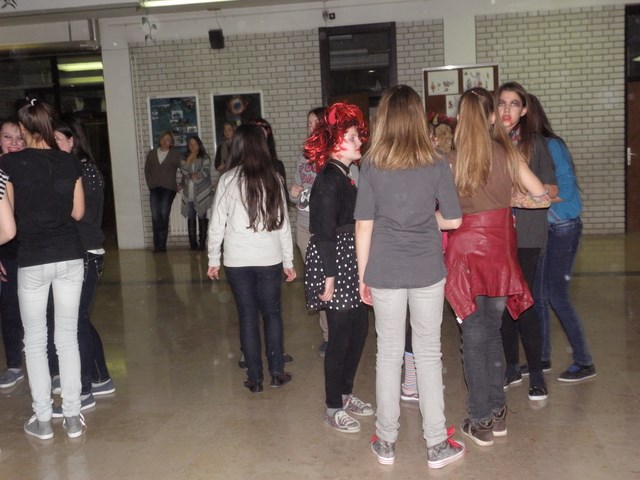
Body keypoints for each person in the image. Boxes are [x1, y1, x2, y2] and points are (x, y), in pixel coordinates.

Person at [354, 85, 465, 468]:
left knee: (387, 354)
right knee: (429, 353)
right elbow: (454, 219)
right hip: (427, 268)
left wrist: (363, 276)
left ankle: (386, 441)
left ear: (384, 118)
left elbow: (364, 226)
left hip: (384, 268)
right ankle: (436, 444)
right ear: (418, 118)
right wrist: (427, 220)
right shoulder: (436, 163)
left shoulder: (371, 164)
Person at [444, 88, 549, 447]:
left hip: (467, 256)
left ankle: (481, 420)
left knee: (474, 337)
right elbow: (542, 196)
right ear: (492, 117)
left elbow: (442, 213)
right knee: (491, 332)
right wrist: (508, 200)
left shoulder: (451, 160)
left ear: (461, 117)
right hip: (500, 252)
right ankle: (498, 412)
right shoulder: (508, 154)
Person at [0, 99, 86, 439]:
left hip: (32, 260)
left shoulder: (7, 165)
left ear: (23, 128)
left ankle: (43, 420)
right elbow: (77, 212)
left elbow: (8, 230)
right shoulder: (69, 161)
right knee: (67, 338)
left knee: (35, 341)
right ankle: (73, 418)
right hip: (70, 256)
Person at [207, 124, 295, 393]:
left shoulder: (227, 180)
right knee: (272, 315)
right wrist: (289, 262)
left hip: (237, 260)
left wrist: (213, 258)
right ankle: (277, 372)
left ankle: (255, 378)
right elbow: (283, 224)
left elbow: (216, 223)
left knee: (247, 316)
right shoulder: (274, 178)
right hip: (269, 258)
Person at [303, 102, 372, 434]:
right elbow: (324, 233)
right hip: (335, 263)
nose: (359, 141)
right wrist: (329, 277)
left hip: (349, 261)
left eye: (358, 135)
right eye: (351, 137)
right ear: (333, 142)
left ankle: (344, 393)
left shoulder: (344, 175)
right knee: (340, 337)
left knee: (358, 331)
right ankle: (333, 407)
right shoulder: (329, 179)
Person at [44, 117, 116, 420]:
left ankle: (83, 390)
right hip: (82, 252)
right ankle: (100, 378)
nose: (54, 145)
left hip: (84, 254)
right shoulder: (77, 168)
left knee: (74, 323)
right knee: (80, 320)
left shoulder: (82, 171)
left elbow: (79, 216)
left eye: (59, 140)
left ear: (73, 140)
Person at [528, 94, 596, 383]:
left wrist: (527, 192)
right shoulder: (527, 147)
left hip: (564, 226)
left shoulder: (551, 144)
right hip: (545, 228)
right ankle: (542, 357)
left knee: (556, 295)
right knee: (539, 295)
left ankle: (584, 361)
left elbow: (565, 191)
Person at [496, 82, 557, 402]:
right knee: (502, 303)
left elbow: (553, 190)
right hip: (496, 235)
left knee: (524, 301)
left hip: (528, 235)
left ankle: (536, 372)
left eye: (514, 104)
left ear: (524, 110)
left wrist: (516, 194)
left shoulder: (534, 143)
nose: (507, 110)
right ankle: (511, 366)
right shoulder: (489, 142)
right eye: (501, 103)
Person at [289, 107, 330, 356]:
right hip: (305, 226)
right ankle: (327, 334)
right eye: (308, 124)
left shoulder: (336, 154)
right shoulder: (303, 157)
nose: (311, 127)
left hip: (328, 227)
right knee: (318, 280)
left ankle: (338, 330)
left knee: (333, 279)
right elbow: (296, 193)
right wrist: (293, 194)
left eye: (315, 123)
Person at [0, 119, 25, 390]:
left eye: (19, 137)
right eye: (8, 137)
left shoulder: (32, 168)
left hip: (35, 250)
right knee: (9, 310)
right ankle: (14, 365)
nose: (14, 143)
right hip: (6, 252)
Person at [144, 131, 183, 253]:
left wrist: (182, 183)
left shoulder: (175, 154)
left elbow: (185, 169)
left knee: (164, 214)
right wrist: (150, 184)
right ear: (159, 140)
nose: (165, 141)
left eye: (168, 139)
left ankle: (162, 245)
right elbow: (147, 170)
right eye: (163, 138)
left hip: (169, 188)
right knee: (155, 216)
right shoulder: (152, 154)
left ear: (171, 142)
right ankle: (157, 246)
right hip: (155, 188)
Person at [179, 136, 213, 251]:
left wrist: (196, 175)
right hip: (189, 192)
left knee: (202, 216)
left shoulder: (205, 157)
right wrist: (189, 160)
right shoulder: (184, 158)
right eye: (190, 144)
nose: (193, 147)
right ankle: (193, 244)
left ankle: (202, 243)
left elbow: (206, 171)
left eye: (195, 144)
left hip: (201, 191)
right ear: (188, 146)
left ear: (199, 145)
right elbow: (183, 171)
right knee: (191, 217)